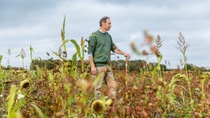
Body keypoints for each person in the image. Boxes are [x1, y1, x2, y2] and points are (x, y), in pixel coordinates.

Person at [88, 16, 130, 99]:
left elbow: (114, 48)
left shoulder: (108, 36)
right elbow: (90, 52)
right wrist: (92, 66)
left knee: (112, 87)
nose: (111, 25)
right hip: (98, 66)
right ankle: (98, 107)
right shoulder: (94, 35)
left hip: (107, 65)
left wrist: (123, 53)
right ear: (103, 24)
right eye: (109, 23)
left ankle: (112, 106)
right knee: (98, 88)